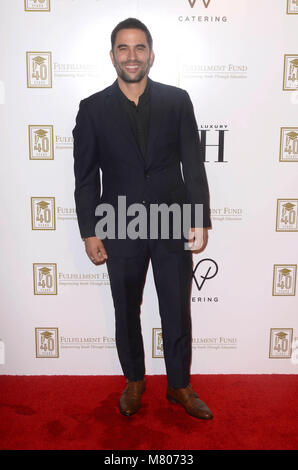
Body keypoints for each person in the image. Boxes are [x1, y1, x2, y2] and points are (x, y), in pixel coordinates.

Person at [73, 18, 213, 420]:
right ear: (112, 55)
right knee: (125, 309)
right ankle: (134, 380)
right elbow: (85, 178)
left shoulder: (177, 100)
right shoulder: (93, 109)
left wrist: (199, 217)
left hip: (171, 220)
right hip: (119, 224)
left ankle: (179, 385)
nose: (131, 56)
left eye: (139, 48)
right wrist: (89, 231)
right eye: (123, 48)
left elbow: (193, 163)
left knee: (176, 308)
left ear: (151, 54)